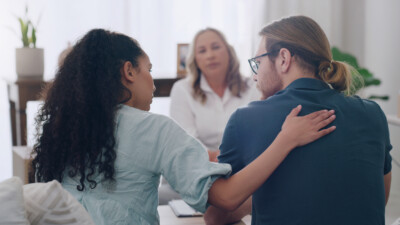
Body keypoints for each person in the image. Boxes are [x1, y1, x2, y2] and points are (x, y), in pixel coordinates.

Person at [31, 29, 336, 225]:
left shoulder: (62, 129)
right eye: (148, 70)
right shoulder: (154, 129)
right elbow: (226, 198)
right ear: (128, 72)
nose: (152, 81)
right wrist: (286, 139)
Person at [204, 15, 392, 225]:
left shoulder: (245, 119)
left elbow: (215, 216)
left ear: (284, 59)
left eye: (258, 63)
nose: (255, 76)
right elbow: (376, 199)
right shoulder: (373, 113)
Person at [170, 28, 260, 162]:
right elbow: (186, 140)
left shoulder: (253, 86)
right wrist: (213, 158)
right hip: (199, 164)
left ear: (229, 52)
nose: (210, 55)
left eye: (216, 47)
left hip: (246, 163)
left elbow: (258, 133)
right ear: (195, 59)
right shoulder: (182, 89)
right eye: (202, 51)